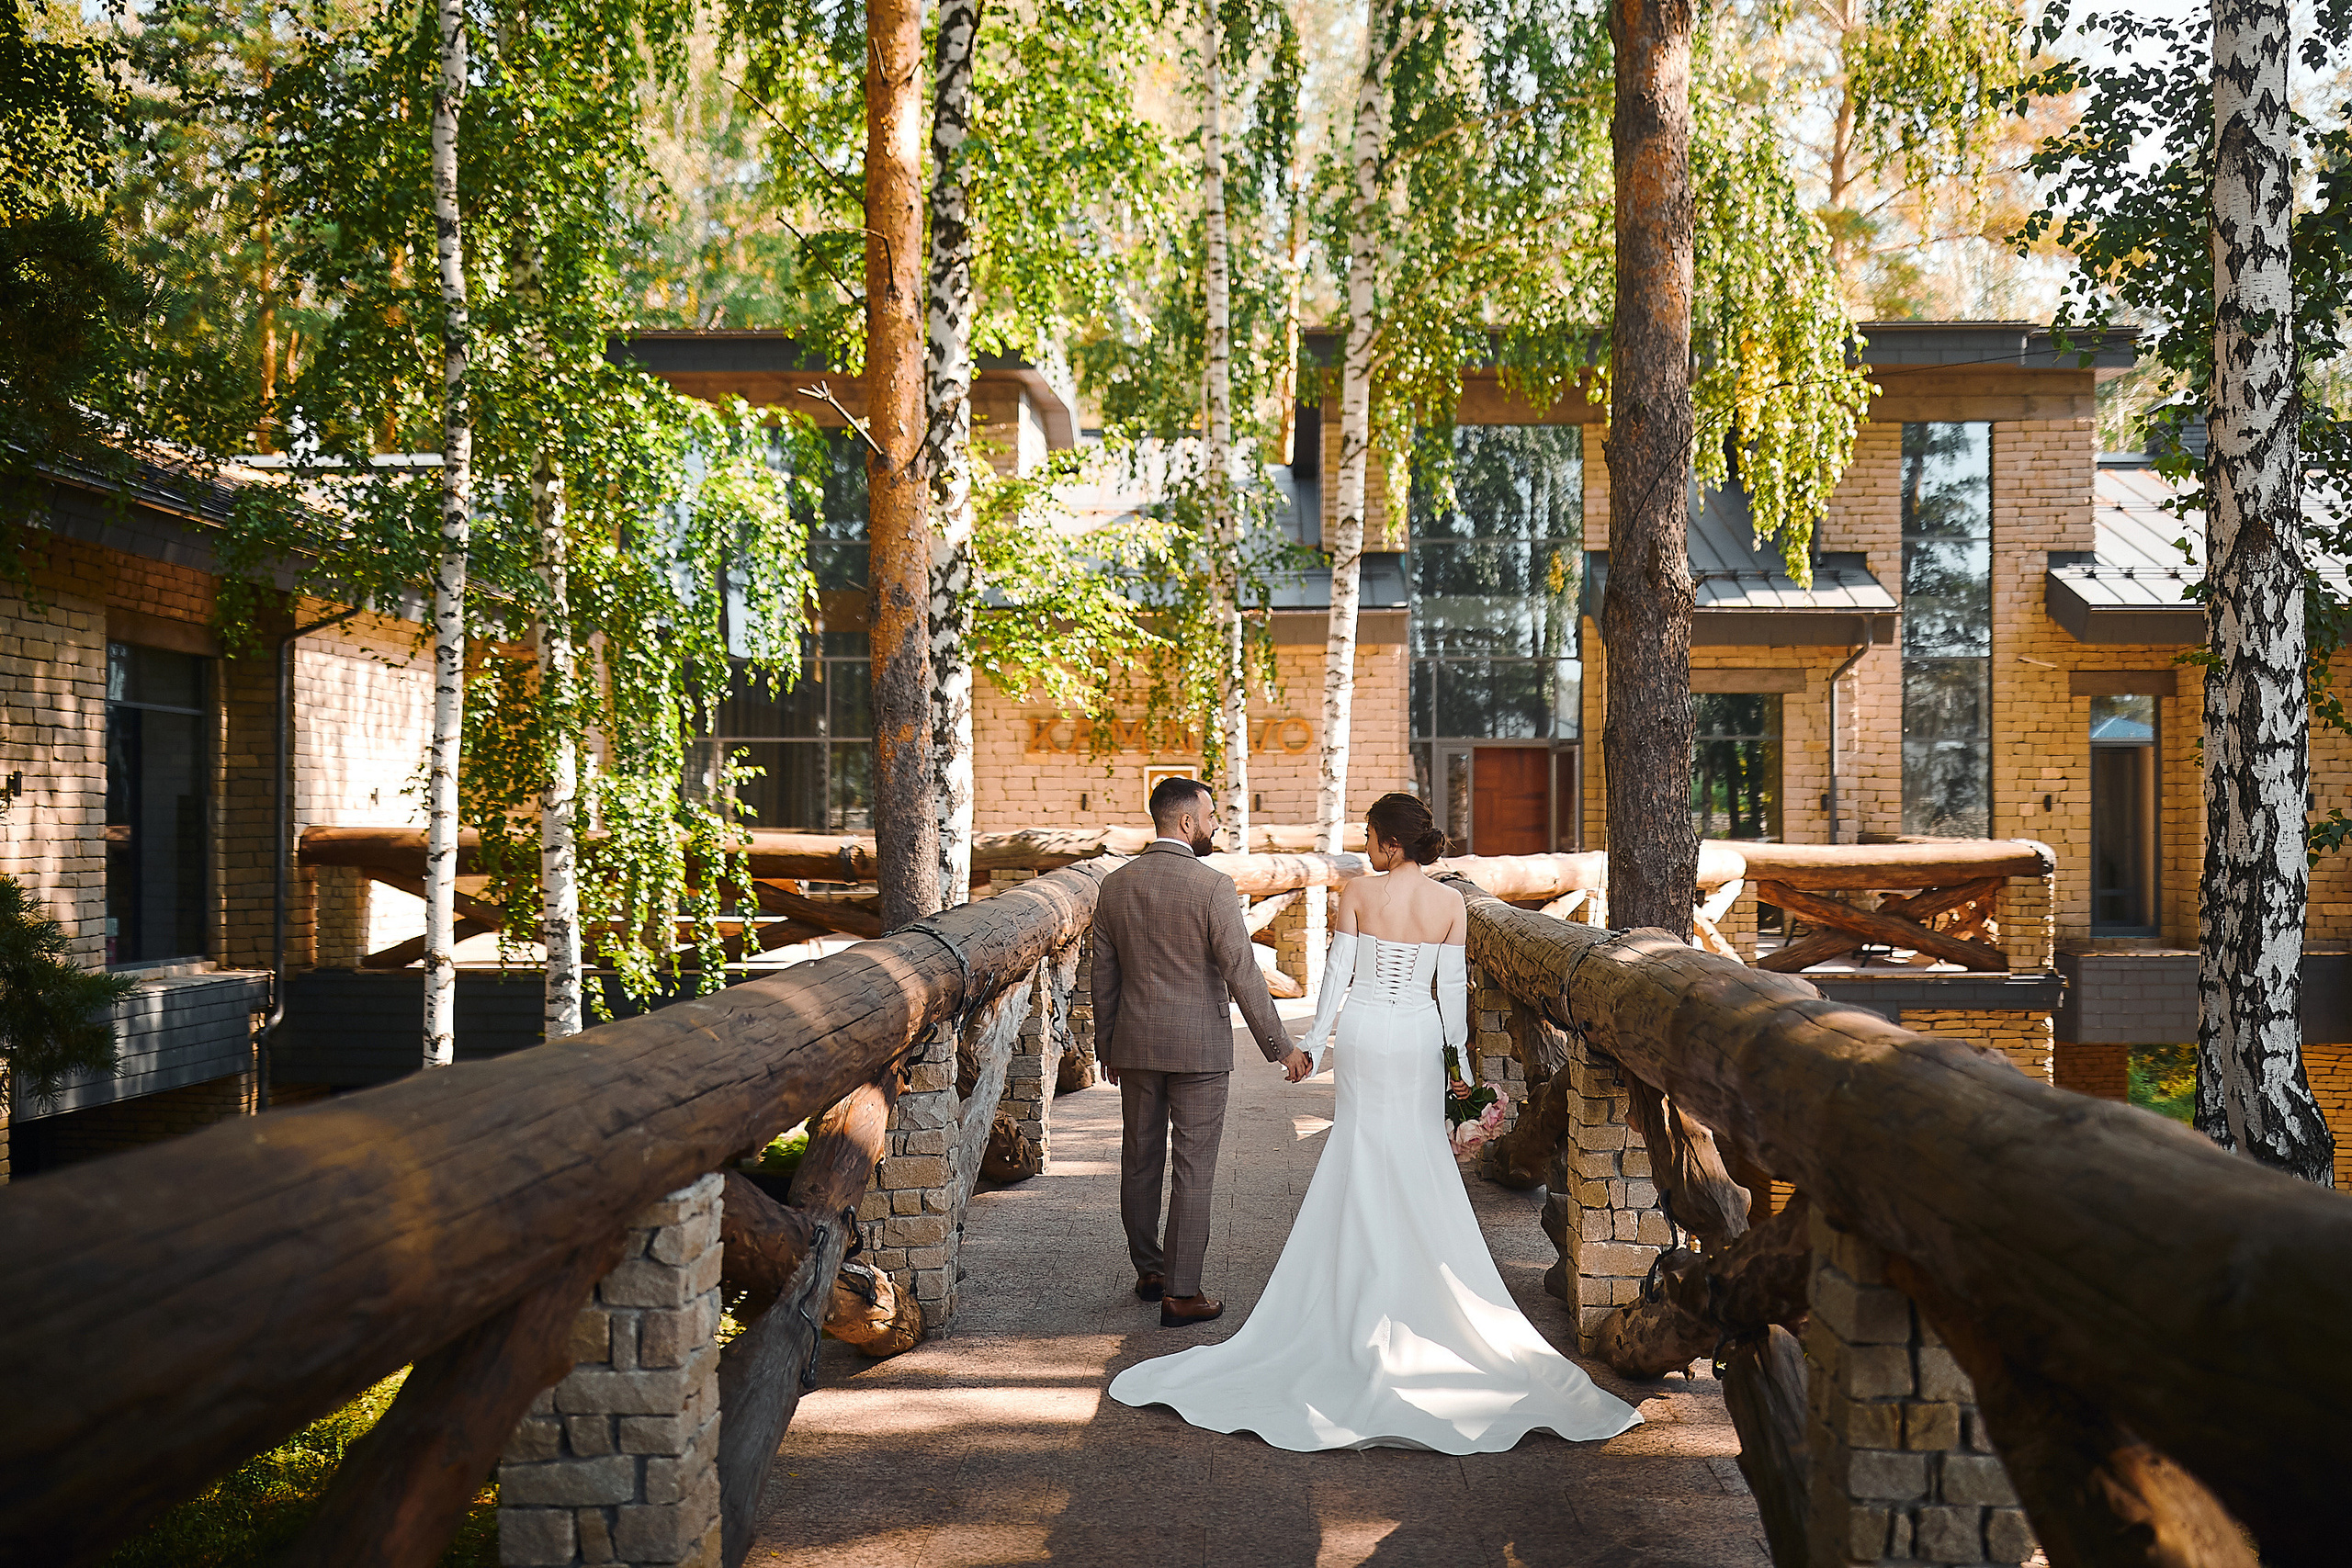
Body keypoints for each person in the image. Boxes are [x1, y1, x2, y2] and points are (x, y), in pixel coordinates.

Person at [1107, 791, 1641, 1451]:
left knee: (1358, 1145)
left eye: (1369, 834)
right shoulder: (1451, 905)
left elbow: (1337, 978)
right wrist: (1462, 1074)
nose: (1364, 844)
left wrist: (1316, 1046)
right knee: (1414, 1149)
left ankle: (1321, 1281)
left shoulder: (1357, 893)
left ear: (1390, 843)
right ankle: (1421, 1287)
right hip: (1417, 1035)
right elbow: (1451, 997)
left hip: (1364, 1031)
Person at [1091, 776, 1316, 1327]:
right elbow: (1242, 971)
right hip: (1200, 1052)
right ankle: (1182, 1292)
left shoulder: (1115, 886)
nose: (1216, 825)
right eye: (1212, 815)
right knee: (1193, 1170)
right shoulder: (1212, 886)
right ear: (1187, 822)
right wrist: (1280, 1045)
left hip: (1136, 1046)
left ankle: (1150, 1272)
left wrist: (1108, 1046)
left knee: (1139, 1161)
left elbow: (1102, 975)